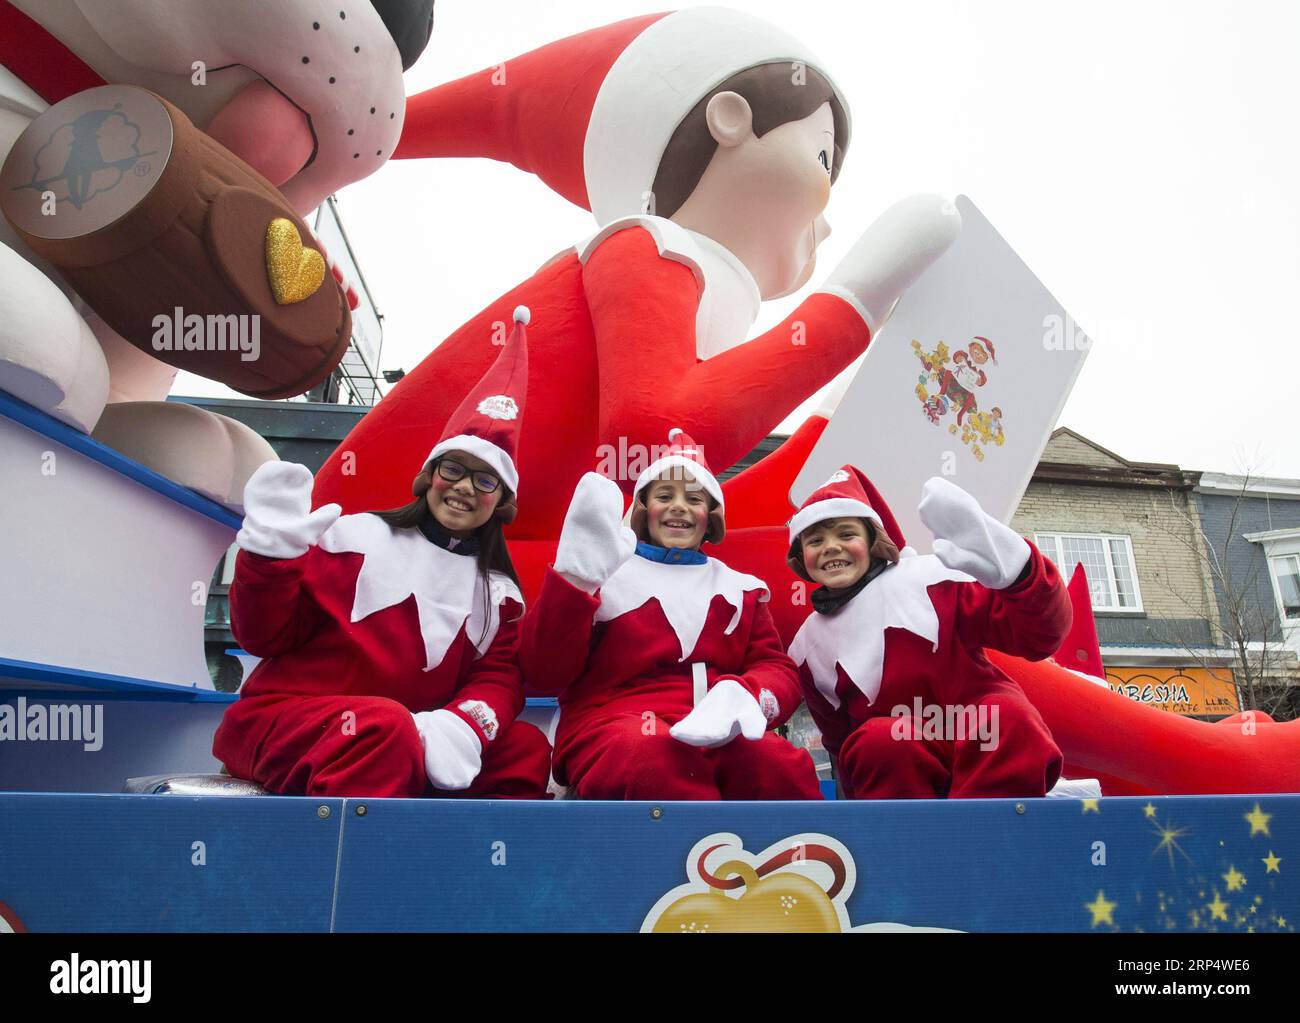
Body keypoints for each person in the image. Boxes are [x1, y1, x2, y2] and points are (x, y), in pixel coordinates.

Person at [211, 308, 551, 798]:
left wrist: (461, 727)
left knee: (524, 748)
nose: (464, 489)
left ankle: (472, 869)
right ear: (428, 477)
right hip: (290, 721)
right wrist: (270, 558)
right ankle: (360, 869)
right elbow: (263, 636)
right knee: (385, 728)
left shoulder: (498, 596)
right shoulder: (352, 539)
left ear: (501, 502)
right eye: (453, 469)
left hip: (405, 736)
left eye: (485, 480)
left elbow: (498, 681)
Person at [519, 429, 821, 800]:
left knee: (775, 763)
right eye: (665, 496)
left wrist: (747, 695)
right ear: (644, 513)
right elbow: (544, 672)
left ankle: (789, 858)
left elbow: (776, 668)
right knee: (654, 758)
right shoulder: (603, 574)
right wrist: (572, 585)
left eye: (693, 499)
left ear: (710, 518)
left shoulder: (741, 589)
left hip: (720, 730)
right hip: (614, 727)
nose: (678, 506)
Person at [786, 466, 1071, 799]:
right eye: (816, 540)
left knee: (1007, 717)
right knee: (880, 741)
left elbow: (1039, 635)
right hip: (899, 760)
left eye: (846, 534)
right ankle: (908, 844)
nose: (831, 547)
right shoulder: (808, 647)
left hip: (978, 728)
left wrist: (1019, 573)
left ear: (874, 541)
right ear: (800, 557)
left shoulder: (934, 579)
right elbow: (838, 739)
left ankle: (994, 835)